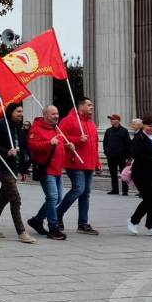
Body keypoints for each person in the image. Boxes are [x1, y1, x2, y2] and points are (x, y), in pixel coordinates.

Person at [0, 104, 35, 243]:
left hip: (14, 167)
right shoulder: (1, 125)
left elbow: (23, 149)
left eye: (22, 111)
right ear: (11, 112)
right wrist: (6, 151)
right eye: (18, 111)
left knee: (4, 197)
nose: (21, 113)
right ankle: (21, 232)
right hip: (3, 166)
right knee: (15, 198)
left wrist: (24, 169)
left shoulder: (18, 128)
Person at [55, 98, 100, 235]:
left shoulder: (91, 123)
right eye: (89, 104)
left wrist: (97, 162)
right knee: (78, 189)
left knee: (85, 194)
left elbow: (95, 145)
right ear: (81, 107)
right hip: (75, 162)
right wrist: (77, 140)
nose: (92, 106)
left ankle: (83, 224)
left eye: (92, 104)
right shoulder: (68, 120)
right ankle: (57, 212)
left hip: (89, 163)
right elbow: (60, 137)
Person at [26, 106, 67, 240]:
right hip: (47, 168)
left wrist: (68, 147)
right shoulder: (37, 128)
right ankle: (53, 228)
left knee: (58, 198)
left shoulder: (56, 127)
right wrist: (49, 142)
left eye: (57, 113)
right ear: (45, 115)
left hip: (57, 169)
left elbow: (58, 146)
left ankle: (37, 220)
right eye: (53, 114)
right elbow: (32, 145)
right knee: (53, 197)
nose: (57, 116)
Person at [128, 114, 152, 237]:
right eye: (149, 125)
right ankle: (133, 221)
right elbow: (138, 157)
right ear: (144, 125)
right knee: (149, 199)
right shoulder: (139, 138)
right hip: (142, 173)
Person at [102, 113, 131, 196]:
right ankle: (115, 189)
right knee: (113, 174)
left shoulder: (124, 131)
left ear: (118, 121)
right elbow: (105, 142)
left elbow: (128, 144)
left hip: (121, 156)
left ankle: (125, 191)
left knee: (123, 174)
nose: (111, 121)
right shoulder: (108, 131)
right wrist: (106, 151)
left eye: (113, 119)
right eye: (111, 119)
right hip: (111, 156)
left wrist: (128, 156)